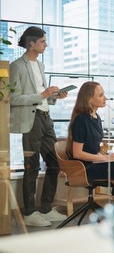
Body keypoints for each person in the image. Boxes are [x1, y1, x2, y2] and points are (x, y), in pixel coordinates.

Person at [9, 26, 68, 227]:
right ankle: (29, 213)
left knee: (54, 163)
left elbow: (43, 97)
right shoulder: (16, 66)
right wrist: (41, 96)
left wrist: (54, 97)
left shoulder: (40, 66)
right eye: (43, 41)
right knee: (31, 166)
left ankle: (45, 208)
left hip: (45, 118)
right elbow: (13, 98)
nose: (46, 44)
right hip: (30, 121)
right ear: (31, 43)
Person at [67, 81, 114, 203]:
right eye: (101, 95)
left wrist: (105, 157)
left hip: (96, 163)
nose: (105, 98)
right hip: (85, 168)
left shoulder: (96, 118)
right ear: (89, 99)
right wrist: (103, 158)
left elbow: (92, 148)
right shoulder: (81, 120)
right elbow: (77, 153)